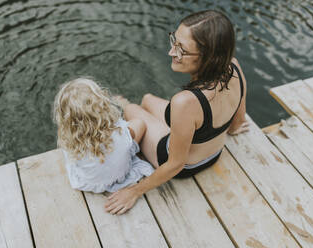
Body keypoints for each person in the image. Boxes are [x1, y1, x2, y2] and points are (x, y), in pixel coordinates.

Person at [105, 10, 249, 215]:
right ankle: (152, 116)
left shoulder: (186, 102)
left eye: (182, 49)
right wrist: (234, 128)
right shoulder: (233, 65)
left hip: (187, 165)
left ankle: (126, 105)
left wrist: (134, 191)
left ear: (208, 57)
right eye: (174, 41)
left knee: (131, 109)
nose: (171, 52)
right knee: (147, 98)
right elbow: (238, 117)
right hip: (214, 151)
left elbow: (175, 164)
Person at [53, 77, 154, 193]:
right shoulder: (119, 133)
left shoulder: (70, 142)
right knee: (138, 123)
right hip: (121, 175)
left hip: (91, 183)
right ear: (104, 105)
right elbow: (136, 129)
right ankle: (122, 103)